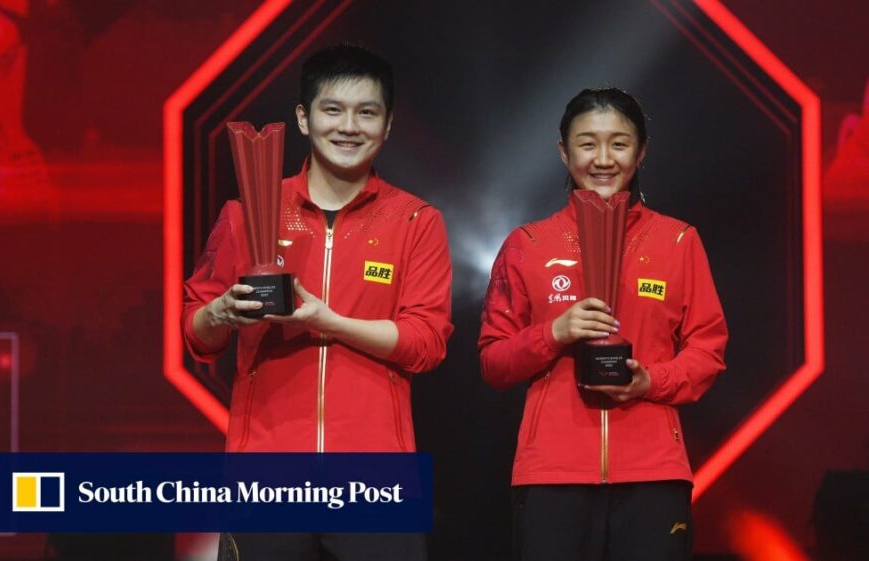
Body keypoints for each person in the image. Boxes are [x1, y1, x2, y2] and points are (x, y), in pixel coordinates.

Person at [182, 44, 453, 561]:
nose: (349, 126)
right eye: (333, 110)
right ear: (304, 118)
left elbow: (426, 344)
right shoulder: (246, 213)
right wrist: (220, 313)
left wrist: (329, 320)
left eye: (366, 112)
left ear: (387, 124)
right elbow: (195, 334)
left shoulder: (416, 221)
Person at [478, 87, 728, 561]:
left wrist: (651, 381)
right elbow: (494, 361)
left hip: (654, 474)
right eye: (587, 143)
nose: (603, 158)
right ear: (563, 151)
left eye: (619, 142)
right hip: (551, 475)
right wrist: (554, 332)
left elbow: (708, 350)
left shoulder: (678, 240)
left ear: (642, 150)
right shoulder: (527, 243)